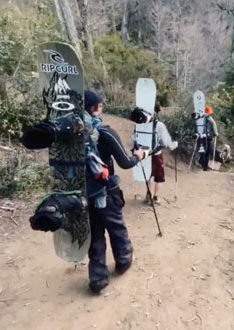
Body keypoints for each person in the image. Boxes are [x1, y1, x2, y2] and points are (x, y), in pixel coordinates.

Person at [84, 90, 146, 294]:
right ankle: (123, 261)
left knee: (95, 234)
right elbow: (126, 162)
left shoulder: (73, 132)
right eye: (100, 105)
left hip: (84, 195)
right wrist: (139, 155)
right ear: (95, 108)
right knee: (116, 228)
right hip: (106, 190)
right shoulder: (105, 132)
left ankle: (97, 278)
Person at [143, 104, 178, 205]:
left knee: (148, 176)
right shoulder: (160, 125)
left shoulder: (141, 124)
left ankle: (148, 195)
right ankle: (155, 197)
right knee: (159, 177)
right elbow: (167, 143)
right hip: (156, 155)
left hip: (144, 154)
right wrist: (175, 144)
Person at [199, 106, 218, 171]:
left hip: (202, 137)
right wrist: (215, 134)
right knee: (207, 152)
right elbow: (214, 129)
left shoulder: (201, 119)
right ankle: (205, 166)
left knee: (203, 151)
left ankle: (202, 165)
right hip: (208, 138)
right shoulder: (211, 120)